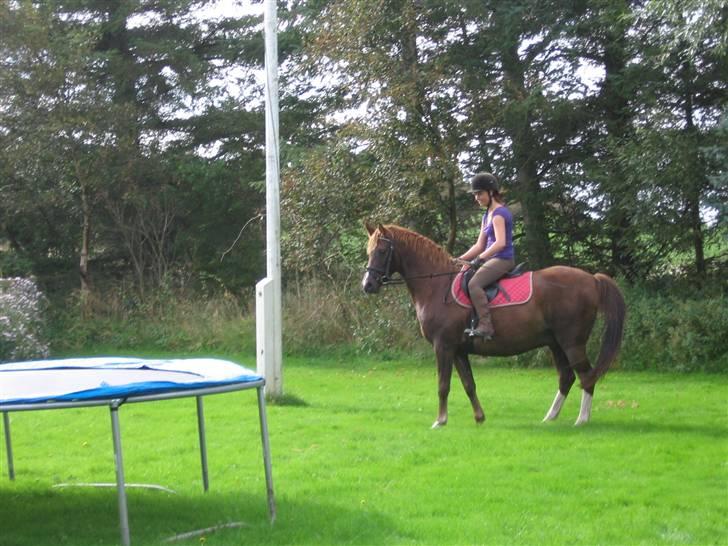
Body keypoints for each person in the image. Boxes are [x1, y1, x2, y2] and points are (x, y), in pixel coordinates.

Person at [456, 172, 515, 339]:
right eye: (475, 194)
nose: (476, 198)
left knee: (474, 284)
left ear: (491, 192)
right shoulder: (486, 215)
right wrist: (460, 259)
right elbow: (479, 245)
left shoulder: (499, 214)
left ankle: (486, 326)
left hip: (503, 259)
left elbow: (500, 243)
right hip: (491, 258)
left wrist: (479, 259)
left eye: (479, 193)